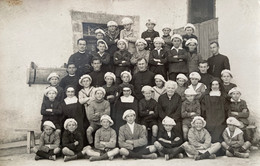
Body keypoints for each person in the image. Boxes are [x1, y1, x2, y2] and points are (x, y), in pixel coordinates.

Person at [201, 78, 228, 143]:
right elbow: (203, 108)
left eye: (216, 84)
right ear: (210, 86)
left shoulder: (223, 96)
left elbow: (226, 108)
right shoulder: (206, 96)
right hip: (209, 116)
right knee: (209, 125)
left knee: (220, 127)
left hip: (221, 117)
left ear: (219, 85)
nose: (215, 86)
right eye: (213, 85)